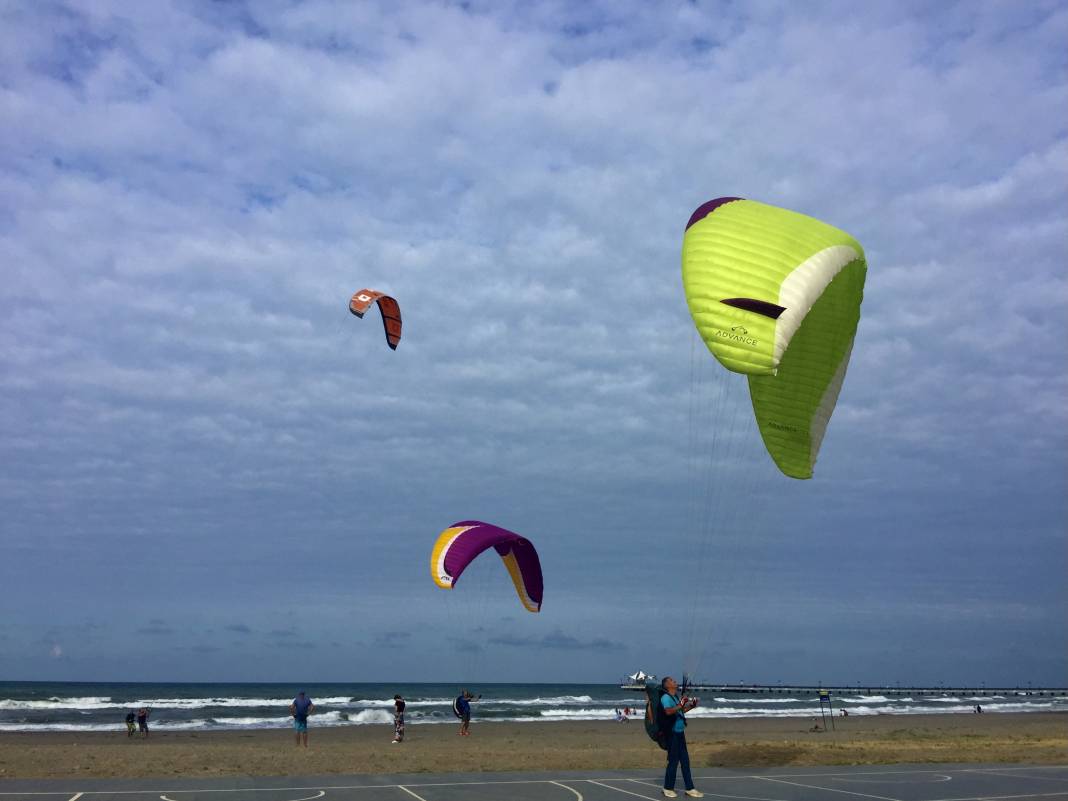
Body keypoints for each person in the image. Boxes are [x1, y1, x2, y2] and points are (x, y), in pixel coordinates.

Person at [659, 677, 702, 798]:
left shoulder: (675, 697)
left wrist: (691, 706)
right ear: (667, 685)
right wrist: (680, 705)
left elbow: (680, 711)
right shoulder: (666, 697)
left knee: (685, 761)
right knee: (673, 761)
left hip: (680, 733)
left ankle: (690, 788)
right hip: (672, 734)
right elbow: (668, 711)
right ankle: (667, 788)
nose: (675, 681)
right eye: (672, 681)